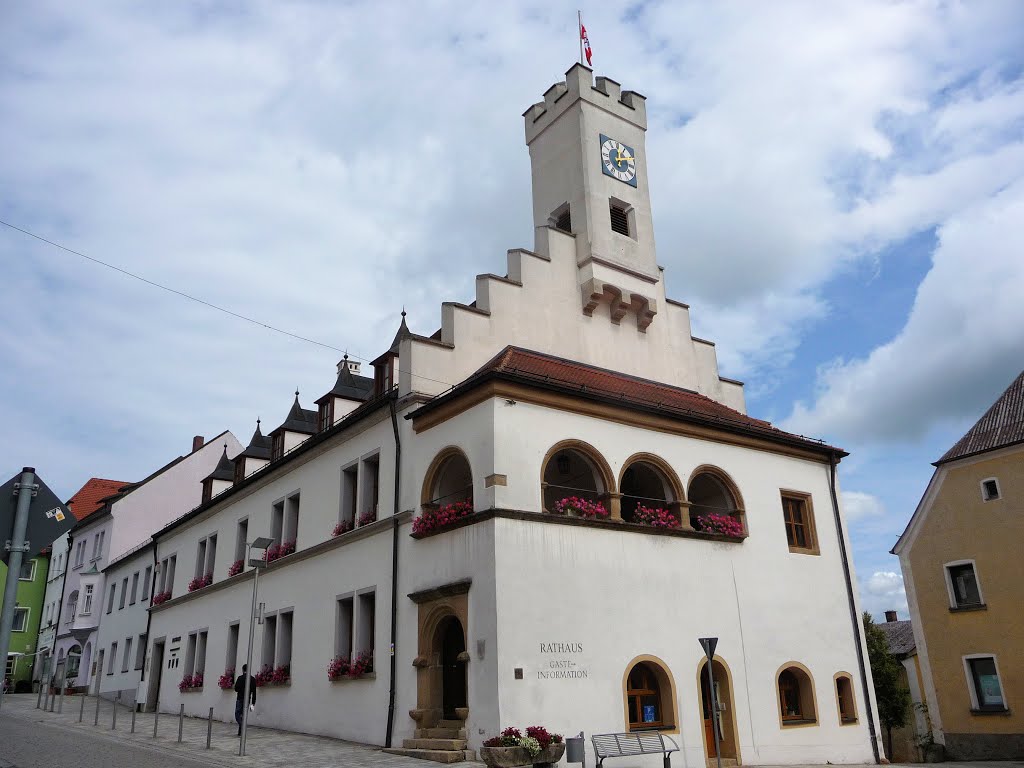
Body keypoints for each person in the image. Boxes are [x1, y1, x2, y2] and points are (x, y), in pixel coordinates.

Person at [233, 664, 256, 736]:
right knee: (243, 715)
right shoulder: (252, 679)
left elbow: (236, 689)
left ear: (243, 670)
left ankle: (242, 726)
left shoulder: (240, 678)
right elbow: (254, 692)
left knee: (237, 714)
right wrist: (253, 703)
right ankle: (240, 732)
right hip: (247, 700)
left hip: (240, 698)